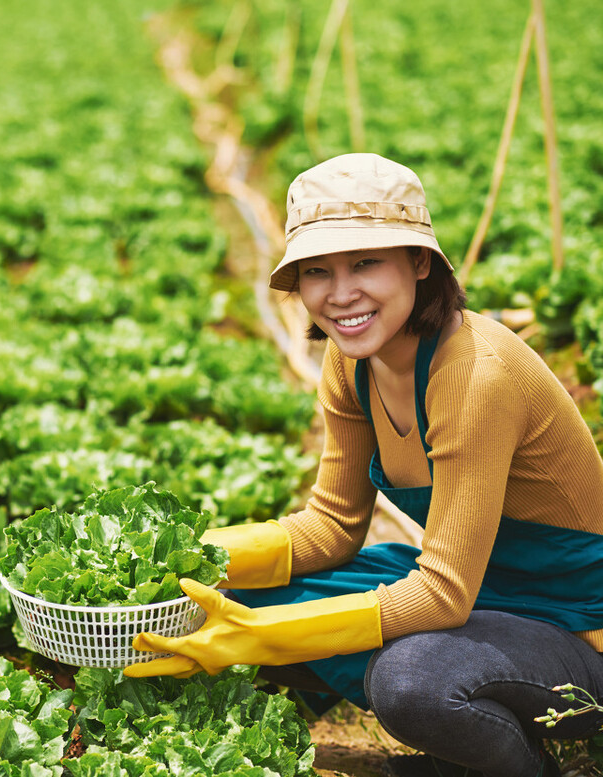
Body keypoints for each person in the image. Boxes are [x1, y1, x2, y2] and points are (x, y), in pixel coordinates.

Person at [124, 153, 603, 777]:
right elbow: (331, 526)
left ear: (419, 262)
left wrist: (263, 637)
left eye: (366, 263)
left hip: (575, 621)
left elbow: (441, 598)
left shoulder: (475, 375)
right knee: (229, 593)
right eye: (317, 271)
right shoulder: (352, 360)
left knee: (412, 680)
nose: (341, 294)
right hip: (478, 589)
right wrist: (187, 557)